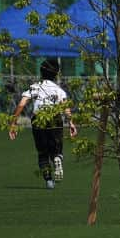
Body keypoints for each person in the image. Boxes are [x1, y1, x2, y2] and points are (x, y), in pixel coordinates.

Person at [8, 59, 77, 189]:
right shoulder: (58, 90)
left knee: (42, 152)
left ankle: (49, 181)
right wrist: (71, 123)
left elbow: (21, 104)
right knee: (57, 148)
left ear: (41, 72)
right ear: (56, 74)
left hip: (38, 119)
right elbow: (65, 107)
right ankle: (57, 158)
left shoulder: (35, 87)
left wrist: (13, 123)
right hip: (55, 118)